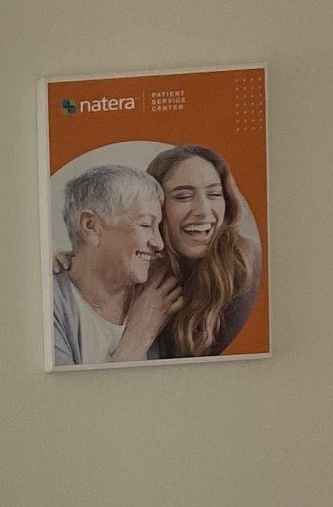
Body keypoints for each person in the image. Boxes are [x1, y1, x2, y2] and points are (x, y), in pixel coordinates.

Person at [144, 143, 259, 357]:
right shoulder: (148, 267)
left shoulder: (246, 263)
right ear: (154, 207)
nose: (203, 211)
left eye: (214, 194)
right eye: (183, 197)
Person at [52, 165, 171, 366]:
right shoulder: (49, 303)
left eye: (158, 226)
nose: (159, 243)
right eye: (145, 224)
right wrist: (139, 336)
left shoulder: (161, 289)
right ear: (91, 226)